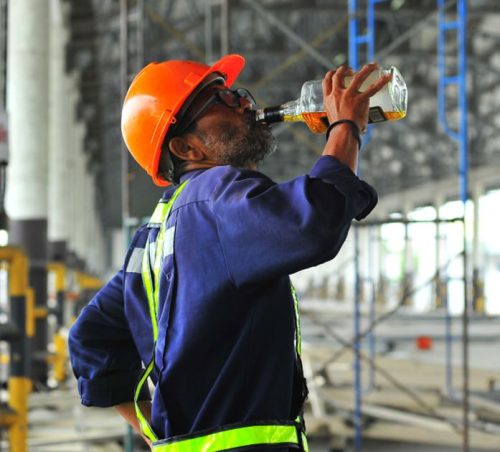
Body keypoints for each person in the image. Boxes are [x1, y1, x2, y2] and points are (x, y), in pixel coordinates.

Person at [68, 54, 389, 451]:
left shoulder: (157, 233)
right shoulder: (214, 195)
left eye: (236, 93)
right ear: (186, 146)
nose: (245, 104)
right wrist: (345, 127)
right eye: (219, 101)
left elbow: (90, 336)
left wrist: (149, 426)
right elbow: (314, 221)